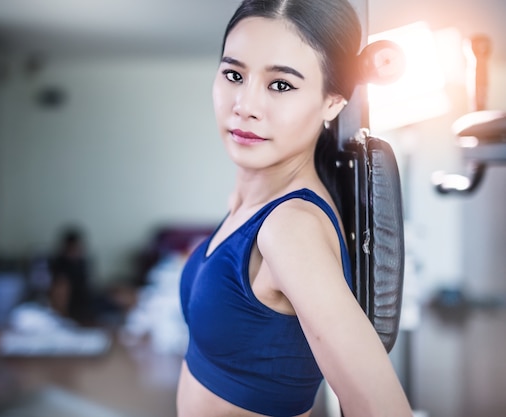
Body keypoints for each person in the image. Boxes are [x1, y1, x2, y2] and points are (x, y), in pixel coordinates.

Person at [177, 1, 413, 416]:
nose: (245, 105)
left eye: (281, 85)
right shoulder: (247, 205)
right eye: (234, 74)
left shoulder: (290, 229)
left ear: (332, 103)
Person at [48, 227, 95, 324]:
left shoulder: (83, 263)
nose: (74, 252)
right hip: (61, 306)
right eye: (71, 249)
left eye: (77, 248)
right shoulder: (57, 263)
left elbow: (88, 285)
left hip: (81, 302)